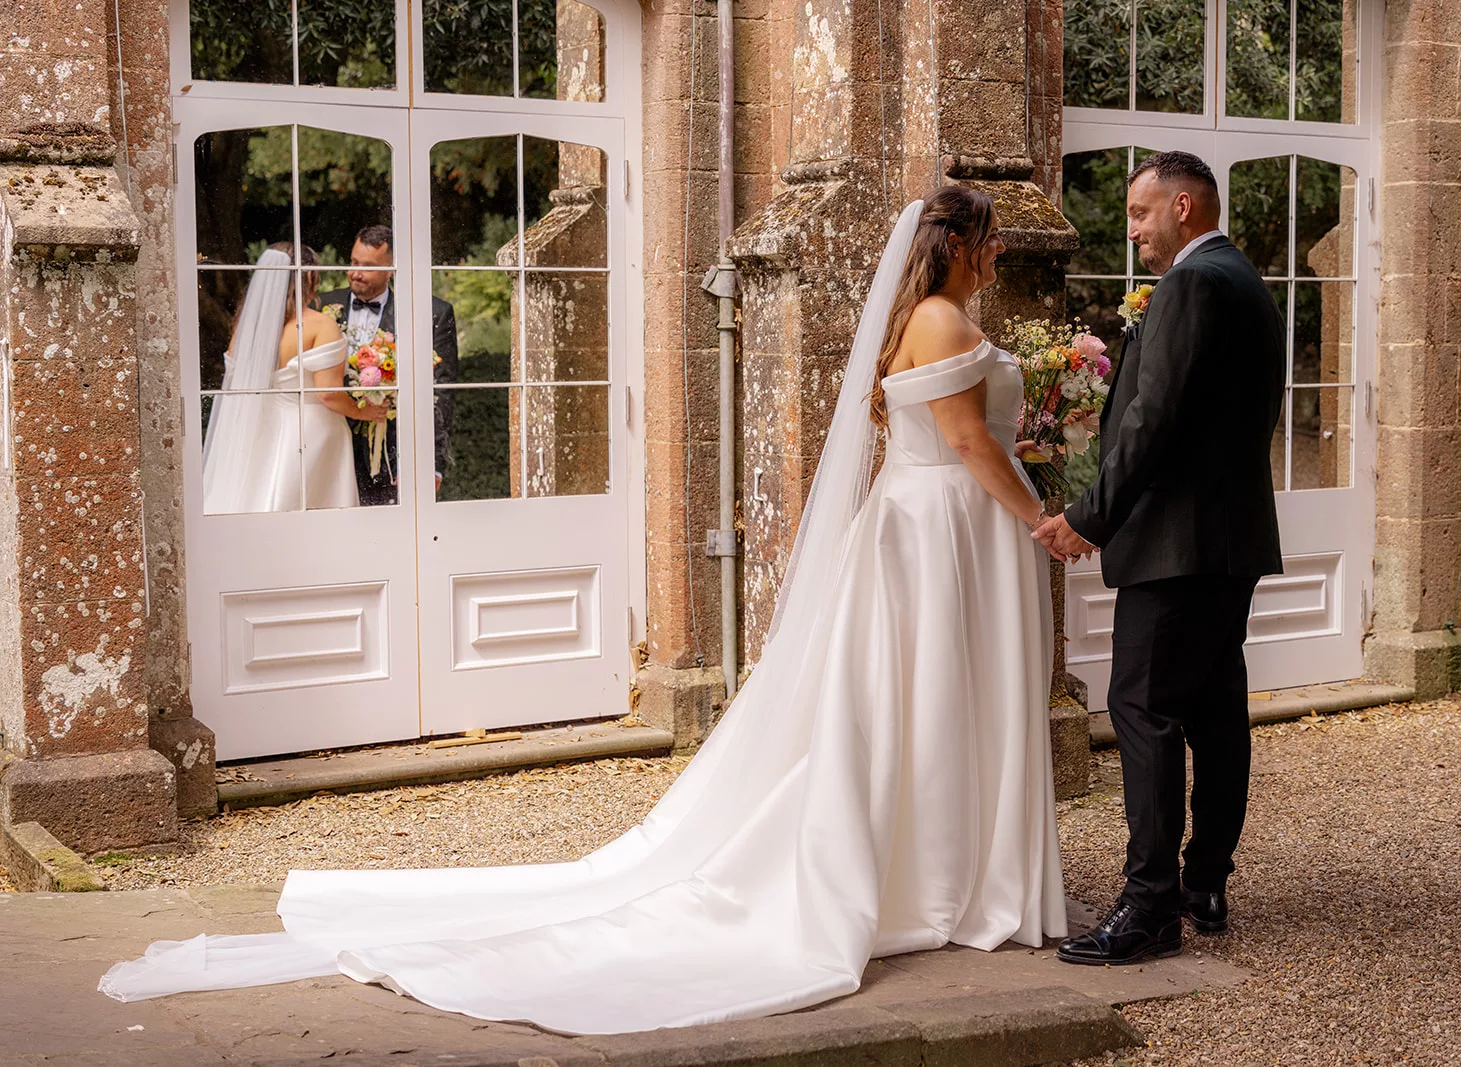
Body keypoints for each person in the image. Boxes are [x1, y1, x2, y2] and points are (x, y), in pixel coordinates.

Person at [102, 188, 1068, 1033]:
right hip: (942, 523)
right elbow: (968, 443)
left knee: (926, 700)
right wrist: (1043, 518)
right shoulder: (940, 318)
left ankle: (945, 866)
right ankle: (940, 876)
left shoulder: (929, 314)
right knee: (929, 696)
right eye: (992, 243)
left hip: (930, 525)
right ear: (967, 244)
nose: (997, 257)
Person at [1033, 151, 1286, 965]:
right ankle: (1204, 881)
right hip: (1230, 540)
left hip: (1177, 546)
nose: (1133, 230)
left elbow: (1153, 420)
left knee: (1141, 710)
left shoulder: (1188, 283)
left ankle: (1148, 908)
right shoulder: (1245, 280)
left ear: (1183, 206)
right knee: (1214, 710)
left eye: (1141, 214)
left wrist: (1090, 516)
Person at [201, 244, 385, 514]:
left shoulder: (245, 328)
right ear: (308, 277)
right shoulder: (321, 324)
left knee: (259, 496)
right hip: (311, 432)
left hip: (261, 425)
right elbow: (328, 394)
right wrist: (369, 413)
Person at [317, 225, 460, 503]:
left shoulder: (432, 314)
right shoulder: (322, 306)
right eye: (353, 262)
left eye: (368, 267)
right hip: (329, 444)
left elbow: (441, 392)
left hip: (394, 455)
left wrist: (433, 463)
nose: (355, 273)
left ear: (392, 269)